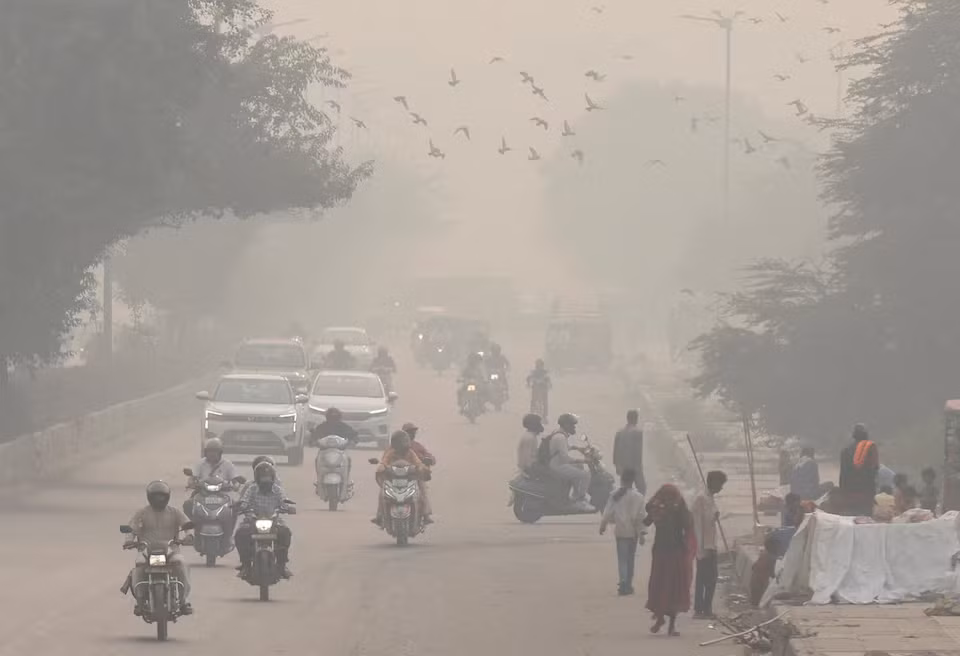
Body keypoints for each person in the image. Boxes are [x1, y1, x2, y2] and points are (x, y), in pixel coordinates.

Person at [123, 480, 194, 615]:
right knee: (139, 564)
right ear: (150, 497)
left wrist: (189, 536)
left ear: (167, 496)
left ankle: (183, 601)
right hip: (146, 550)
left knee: (181, 564)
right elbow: (131, 529)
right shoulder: (142, 513)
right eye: (156, 496)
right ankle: (139, 600)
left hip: (171, 550)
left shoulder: (174, 512)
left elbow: (187, 525)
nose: (159, 499)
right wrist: (129, 541)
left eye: (161, 496)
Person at [643, 483, 696, 636]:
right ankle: (671, 626)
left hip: (660, 551)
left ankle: (660, 618)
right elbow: (688, 524)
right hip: (676, 553)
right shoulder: (679, 508)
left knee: (659, 584)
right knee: (674, 588)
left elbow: (646, 521)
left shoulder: (657, 507)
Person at [235, 461, 293, 578]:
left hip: (274, 520)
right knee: (241, 534)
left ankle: (282, 565)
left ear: (272, 477)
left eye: (268, 477)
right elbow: (245, 501)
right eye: (263, 477)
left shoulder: (277, 490)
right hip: (253, 519)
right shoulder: (251, 489)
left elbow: (284, 501)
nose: (266, 481)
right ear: (257, 478)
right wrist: (241, 506)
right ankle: (246, 565)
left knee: (285, 532)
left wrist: (289, 508)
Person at [600, 468, 647, 596]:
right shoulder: (639, 497)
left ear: (622, 479)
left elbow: (608, 511)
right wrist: (642, 534)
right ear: (633, 481)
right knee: (630, 559)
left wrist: (603, 525)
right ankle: (628, 584)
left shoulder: (615, 494)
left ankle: (623, 583)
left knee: (622, 559)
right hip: (633, 533)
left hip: (621, 532)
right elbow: (641, 517)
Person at [692, 470, 727, 619]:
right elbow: (697, 526)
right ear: (713, 482)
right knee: (704, 579)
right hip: (704, 546)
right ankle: (701, 609)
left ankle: (706, 608)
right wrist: (700, 549)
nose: (721, 488)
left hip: (711, 545)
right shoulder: (701, 499)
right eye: (720, 484)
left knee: (710, 579)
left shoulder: (710, 498)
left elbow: (710, 520)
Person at [541, 413, 593, 512]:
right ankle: (579, 500)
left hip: (556, 463)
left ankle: (574, 494)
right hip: (557, 466)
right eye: (572, 425)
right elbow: (565, 458)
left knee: (579, 466)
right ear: (566, 425)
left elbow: (563, 449)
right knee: (585, 475)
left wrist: (577, 448)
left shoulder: (559, 434)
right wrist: (584, 460)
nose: (574, 427)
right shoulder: (560, 437)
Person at [373, 430, 427, 526]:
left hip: (409, 480)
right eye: (400, 441)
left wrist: (421, 467)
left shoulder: (410, 452)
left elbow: (418, 462)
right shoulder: (390, 452)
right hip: (393, 480)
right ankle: (380, 515)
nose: (403, 444)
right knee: (382, 493)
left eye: (405, 441)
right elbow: (384, 462)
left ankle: (425, 513)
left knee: (421, 492)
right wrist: (381, 467)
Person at [184, 438, 242, 513]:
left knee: (235, 507)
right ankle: (193, 523)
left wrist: (236, 486)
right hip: (202, 493)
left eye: (215, 451)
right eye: (209, 451)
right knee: (188, 504)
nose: (212, 453)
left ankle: (230, 524)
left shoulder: (228, 464)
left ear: (220, 452)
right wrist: (191, 483)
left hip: (223, 494)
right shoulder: (200, 464)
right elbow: (192, 477)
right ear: (205, 452)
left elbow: (235, 480)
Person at [838, 423, 879, 516]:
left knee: (850, 519)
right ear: (866, 435)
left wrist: (843, 492)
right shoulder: (870, 448)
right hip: (866, 492)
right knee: (866, 521)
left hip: (849, 492)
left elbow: (843, 474)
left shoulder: (845, 450)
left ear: (854, 436)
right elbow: (875, 471)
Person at [402, 422, 435, 524]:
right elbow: (387, 459)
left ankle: (425, 515)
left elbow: (430, 457)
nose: (412, 434)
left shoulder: (418, 446)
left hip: (415, 475)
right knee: (384, 493)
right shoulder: (396, 447)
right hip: (398, 476)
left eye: (413, 432)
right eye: (409, 432)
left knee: (422, 491)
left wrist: (429, 459)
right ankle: (381, 515)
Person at [613, 410, 646, 495]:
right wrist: (639, 468)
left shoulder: (619, 432)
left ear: (627, 419)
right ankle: (637, 506)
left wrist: (617, 465)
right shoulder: (638, 432)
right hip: (634, 467)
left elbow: (615, 450)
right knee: (642, 488)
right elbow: (638, 452)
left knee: (625, 490)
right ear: (636, 419)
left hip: (623, 467)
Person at [749, 534, 779, 607]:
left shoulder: (763, 554)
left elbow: (753, 567)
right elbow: (773, 574)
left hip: (755, 581)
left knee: (755, 601)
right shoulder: (771, 558)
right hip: (761, 583)